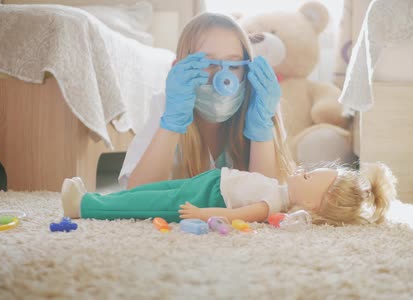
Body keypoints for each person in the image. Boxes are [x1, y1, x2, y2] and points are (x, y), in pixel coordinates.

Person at [119, 12, 293, 189]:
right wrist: (173, 123)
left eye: (233, 66)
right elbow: (136, 193)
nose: (222, 77)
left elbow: (265, 195)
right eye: (208, 64)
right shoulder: (167, 106)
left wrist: (260, 128)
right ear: (178, 70)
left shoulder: (260, 105)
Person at [61, 162, 397, 226]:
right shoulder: (279, 190)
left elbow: (237, 216)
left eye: (306, 175)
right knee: (146, 190)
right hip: (208, 181)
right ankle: (97, 197)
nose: (299, 171)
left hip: (209, 198)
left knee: (147, 204)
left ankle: (84, 206)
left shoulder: (272, 204)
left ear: (310, 202)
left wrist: (201, 214)